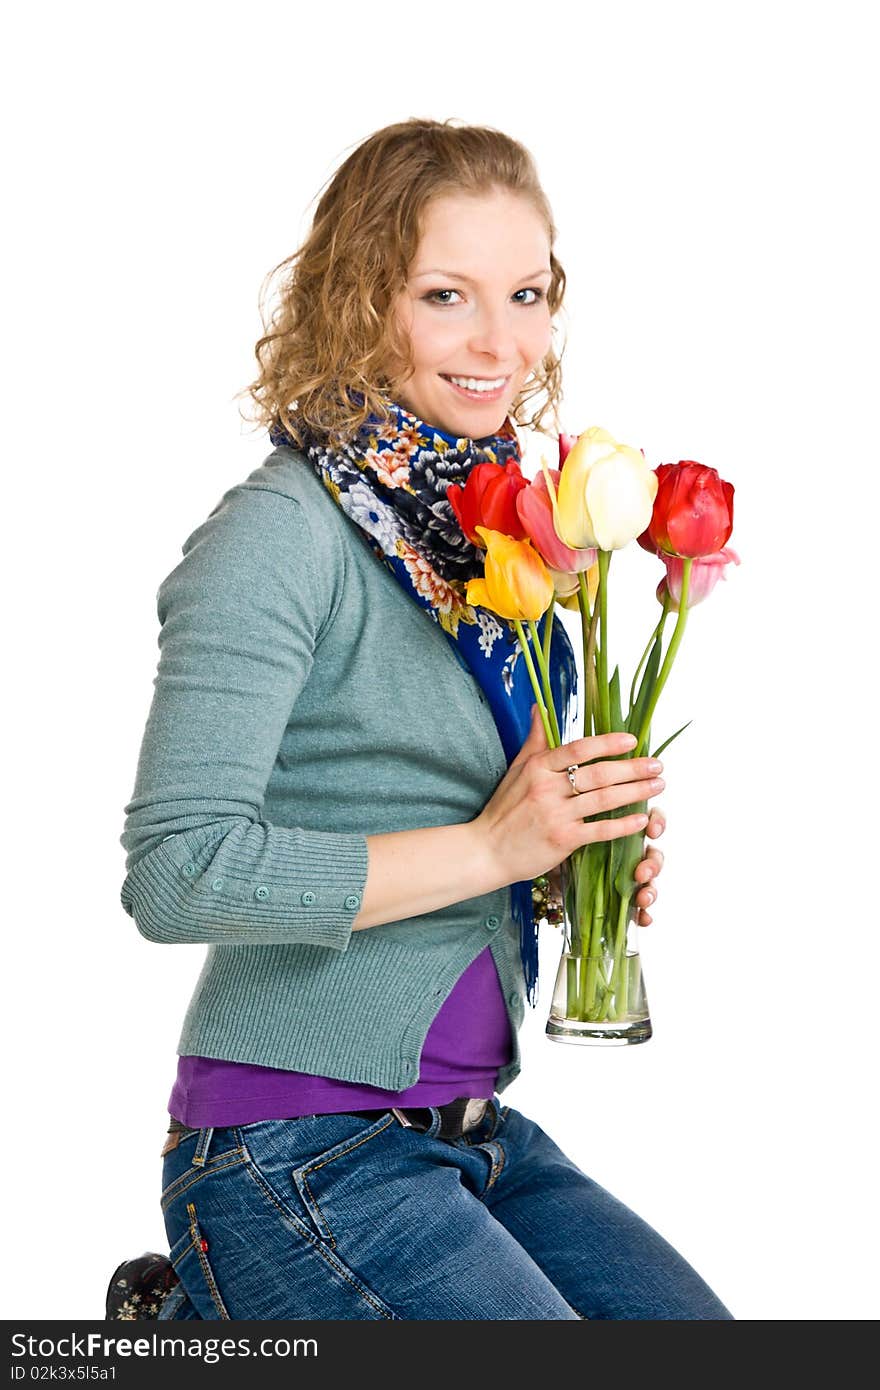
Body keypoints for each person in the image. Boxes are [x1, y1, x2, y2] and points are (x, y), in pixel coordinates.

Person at [106, 117, 733, 1322]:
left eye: (526, 293)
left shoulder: (494, 531)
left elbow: (438, 810)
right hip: (286, 1148)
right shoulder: (280, 534)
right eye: (447, 295)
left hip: (476, 1135)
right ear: (359, 302)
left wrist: (565, 867)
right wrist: (493, 847)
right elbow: (175, 875)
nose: (499, 341)